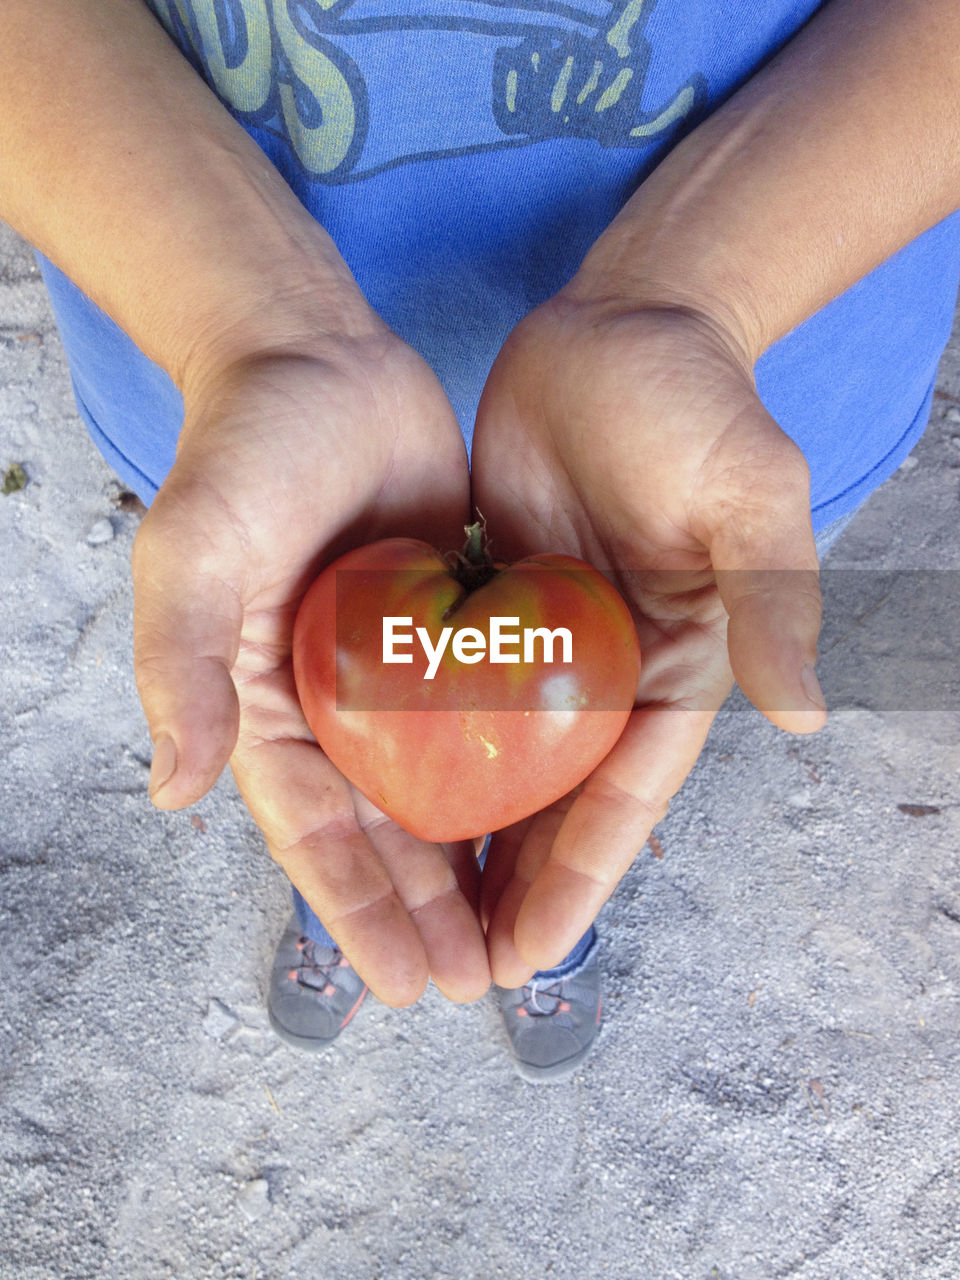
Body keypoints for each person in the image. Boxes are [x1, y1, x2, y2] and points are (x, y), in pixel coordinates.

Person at [2, 0, 959, 1082]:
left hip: (762, 319)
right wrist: (242, 324)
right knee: (378, 734)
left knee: (619, 709)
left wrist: (693, 298)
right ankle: (416, 865)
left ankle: (517, 875)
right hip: (195, 301)